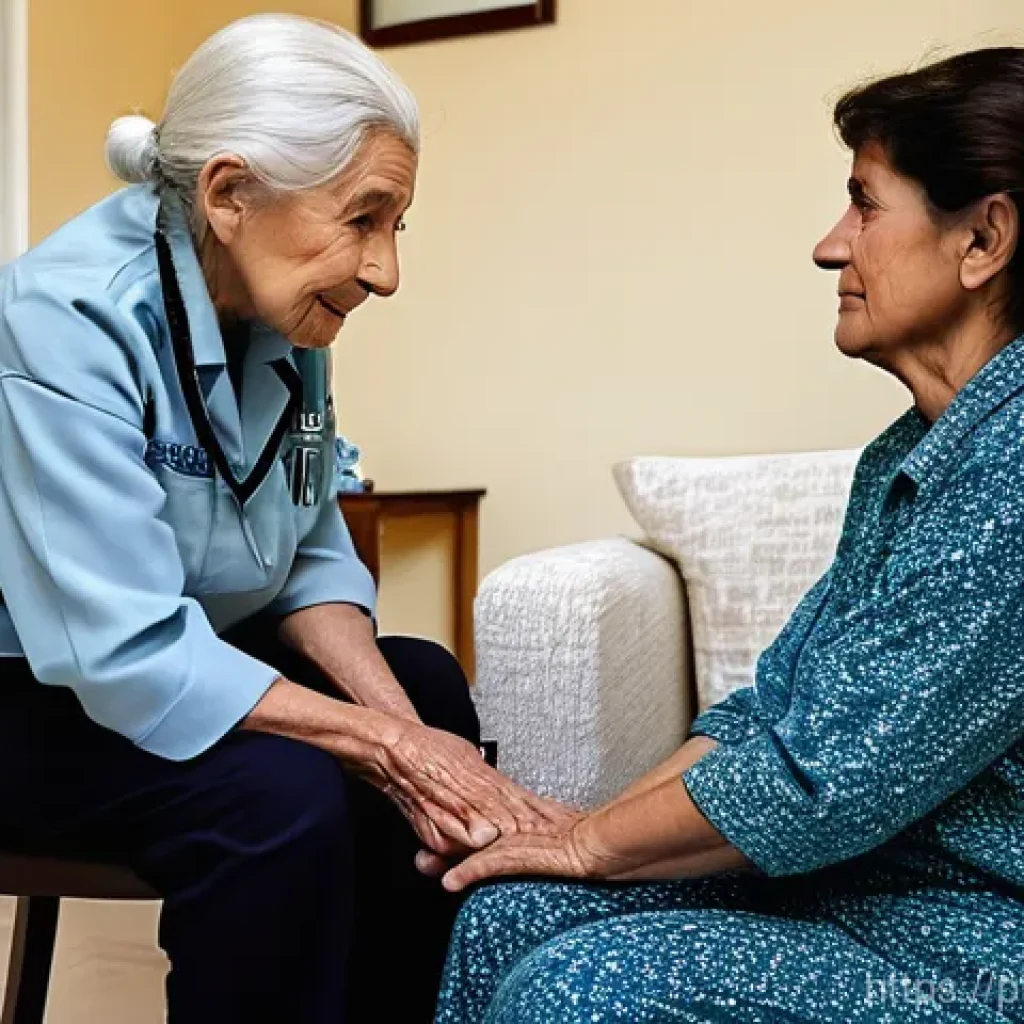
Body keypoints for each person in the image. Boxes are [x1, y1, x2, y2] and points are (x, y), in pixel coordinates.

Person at [432, 47, 1024, 1023]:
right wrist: (583, 832)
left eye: (863, 205)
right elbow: (772, 713)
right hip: (858, 888)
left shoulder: (1011, 469)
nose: (829, 247)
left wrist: (589, 844)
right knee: (510, 912)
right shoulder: (910, 454)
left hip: (974, 943)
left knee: (572, 991)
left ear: (983, 239)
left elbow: (821, 780)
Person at [0, 15, 561, 1024]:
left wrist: (404, 734)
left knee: (427, 687)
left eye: (396, 226)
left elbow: (305, 553)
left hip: (180, 657)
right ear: (229, 194)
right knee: (278, 796)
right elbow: (118, 645)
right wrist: (387, 748)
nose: (385, 272)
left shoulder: (287, 317)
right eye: (364, 219)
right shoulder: (63, 320)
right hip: (38, 694)